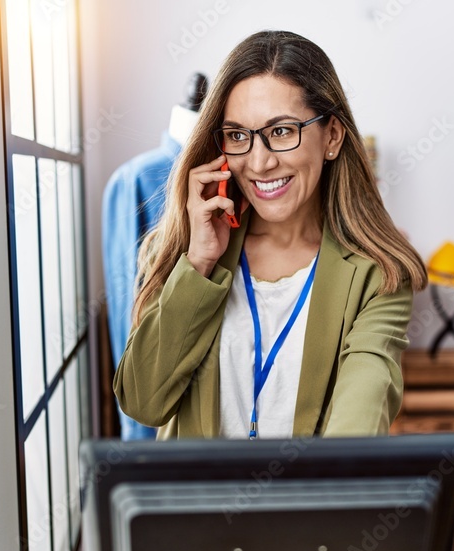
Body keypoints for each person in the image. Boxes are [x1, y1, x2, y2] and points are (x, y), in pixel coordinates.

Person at [113, 30, 428, 440]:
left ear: (331, 136)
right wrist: (199, 263)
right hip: (198, 504)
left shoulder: (378, 274)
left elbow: (359, 418)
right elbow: (142, 402)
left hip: (306, 502)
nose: (259, 162)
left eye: (281, 131)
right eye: (239, 136)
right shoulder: (189, 254)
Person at [102, 72, 208, 441]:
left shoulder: (236, 172)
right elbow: (126, 305)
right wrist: (137, 427)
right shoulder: (135, 180)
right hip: (156, 389)